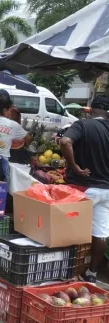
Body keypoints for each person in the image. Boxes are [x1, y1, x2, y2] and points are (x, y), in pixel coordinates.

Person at [60, 95, 109, 284]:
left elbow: (65, 142)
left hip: (83, 188)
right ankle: (91, 274)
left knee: (68, 230)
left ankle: (66, 270)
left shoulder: (82, 125)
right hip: (106, 190)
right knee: (100, 232)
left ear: (91, 108)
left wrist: (74, 167)